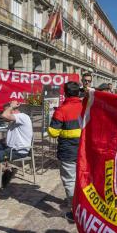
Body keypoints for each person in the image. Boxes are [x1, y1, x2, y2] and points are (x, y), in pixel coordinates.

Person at [48, 81, 82, 222]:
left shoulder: (61, 110)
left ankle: (75, 212)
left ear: (65, 93)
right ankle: (85, 207)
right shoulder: (85, 107)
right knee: (83, 179)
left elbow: (53, 133)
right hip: (84, 151)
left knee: (70, 181)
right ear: (78, 93)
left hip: (68, 151)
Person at [0, 101, 33, 187]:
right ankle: (4, 169)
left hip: (18, 150)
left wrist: (11, 106)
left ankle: (7, 170)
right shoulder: (15, 120)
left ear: (13, 110)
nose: (3, 114)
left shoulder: (23, 117)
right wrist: (5, 141)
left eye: (6, 111)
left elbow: (4, 115)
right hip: (9, 147)